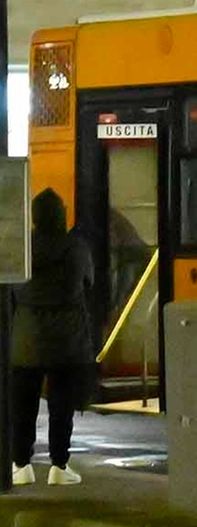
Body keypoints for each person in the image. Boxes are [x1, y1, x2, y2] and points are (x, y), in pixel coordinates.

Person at [10, 189, 96, 487]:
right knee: (61, 406)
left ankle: (21, 465)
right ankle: (59, 466)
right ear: (61, 214)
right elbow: (89, 282)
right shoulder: (76, 247)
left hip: (25, 339)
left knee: (23, 405)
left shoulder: (20, 247)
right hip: (66, 342)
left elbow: (10, 289)